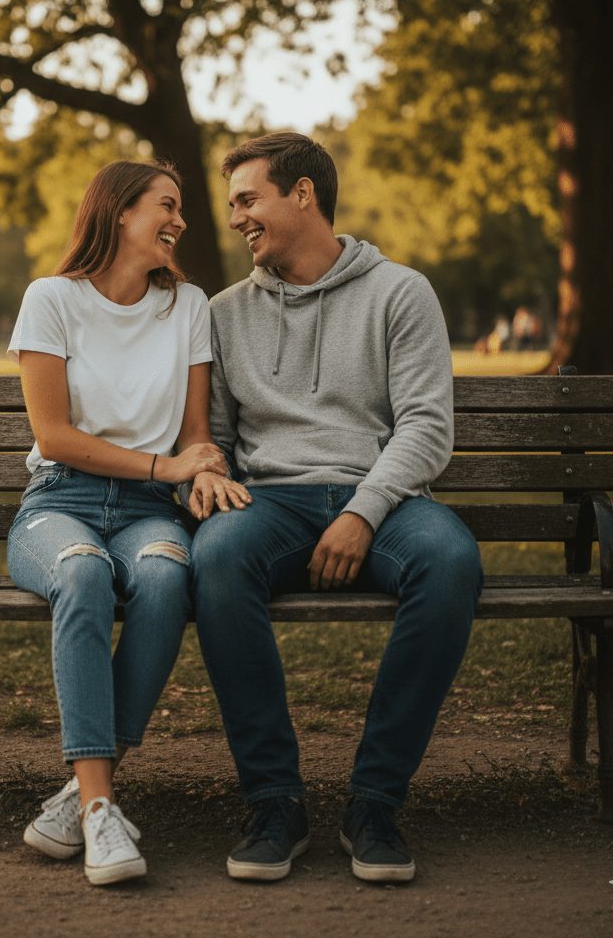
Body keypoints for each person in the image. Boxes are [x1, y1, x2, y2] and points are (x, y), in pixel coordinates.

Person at [187, 133, 483, 884]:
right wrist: (209, 477)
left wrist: (365, 510)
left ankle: (375, 802)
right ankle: (275, 801)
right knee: (217, 557)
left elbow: (425, 425)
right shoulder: (224, 313)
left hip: (379, 496)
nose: (236, 219)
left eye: (247, 200)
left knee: (449, 560)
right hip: (272, 503)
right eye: (231, 206)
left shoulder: (400, 291)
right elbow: (215, 437)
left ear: (303, 195)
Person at [6, 160, 248, 886]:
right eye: (165, 206)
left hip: (147, 515)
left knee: (168, 574)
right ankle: (102, 809)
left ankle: (83, 798)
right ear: (118, 213)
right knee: (81, 570)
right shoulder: (51, 299)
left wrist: (204, 471)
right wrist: (164, 468)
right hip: (59, 503)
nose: (180, 220)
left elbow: (196, 434)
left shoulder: (189, 307)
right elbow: (53, 436)